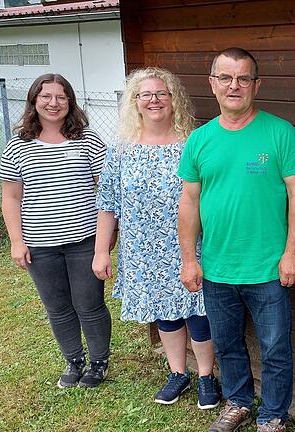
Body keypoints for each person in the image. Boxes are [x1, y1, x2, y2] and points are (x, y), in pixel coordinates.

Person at [178, 47, 295, 432]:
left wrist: (292, 253)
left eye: (243, 78)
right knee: (228, 344)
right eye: (226, 77)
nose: (234, 86)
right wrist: (190, 259)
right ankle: (238, 402)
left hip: (269, 267)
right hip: (218, 267)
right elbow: (189, 201)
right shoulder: (200, 140)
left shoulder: (279, 131)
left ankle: (272, 416)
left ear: (256, 84)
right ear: (213, 84)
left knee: (275, 349)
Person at [92, 67, 221, 409]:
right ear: (134, 103)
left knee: (198, 311)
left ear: (174, 99)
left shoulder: (193, 143)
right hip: (143, 249)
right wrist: (101, 251)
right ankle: (178, 373)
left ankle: (207, 376)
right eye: (144, 94)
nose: (153, 100)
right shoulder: (120, 150)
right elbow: (108, 203)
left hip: (189, 244)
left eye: (161, 93)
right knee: (164, 311)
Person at [0, 73, 112, 389]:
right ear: (34, 101)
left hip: (84, 241)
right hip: (40, 245)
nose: (53, 103)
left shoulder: (87, 140)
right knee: (58, 307)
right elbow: (11, 196)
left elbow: (106, 189)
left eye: (61, 97)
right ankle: (74, 361)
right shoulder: (18, 145)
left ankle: (98, 363)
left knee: (89, 304)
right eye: (46, 96)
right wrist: (16, 241)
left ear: (70, 102)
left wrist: (106, 238)